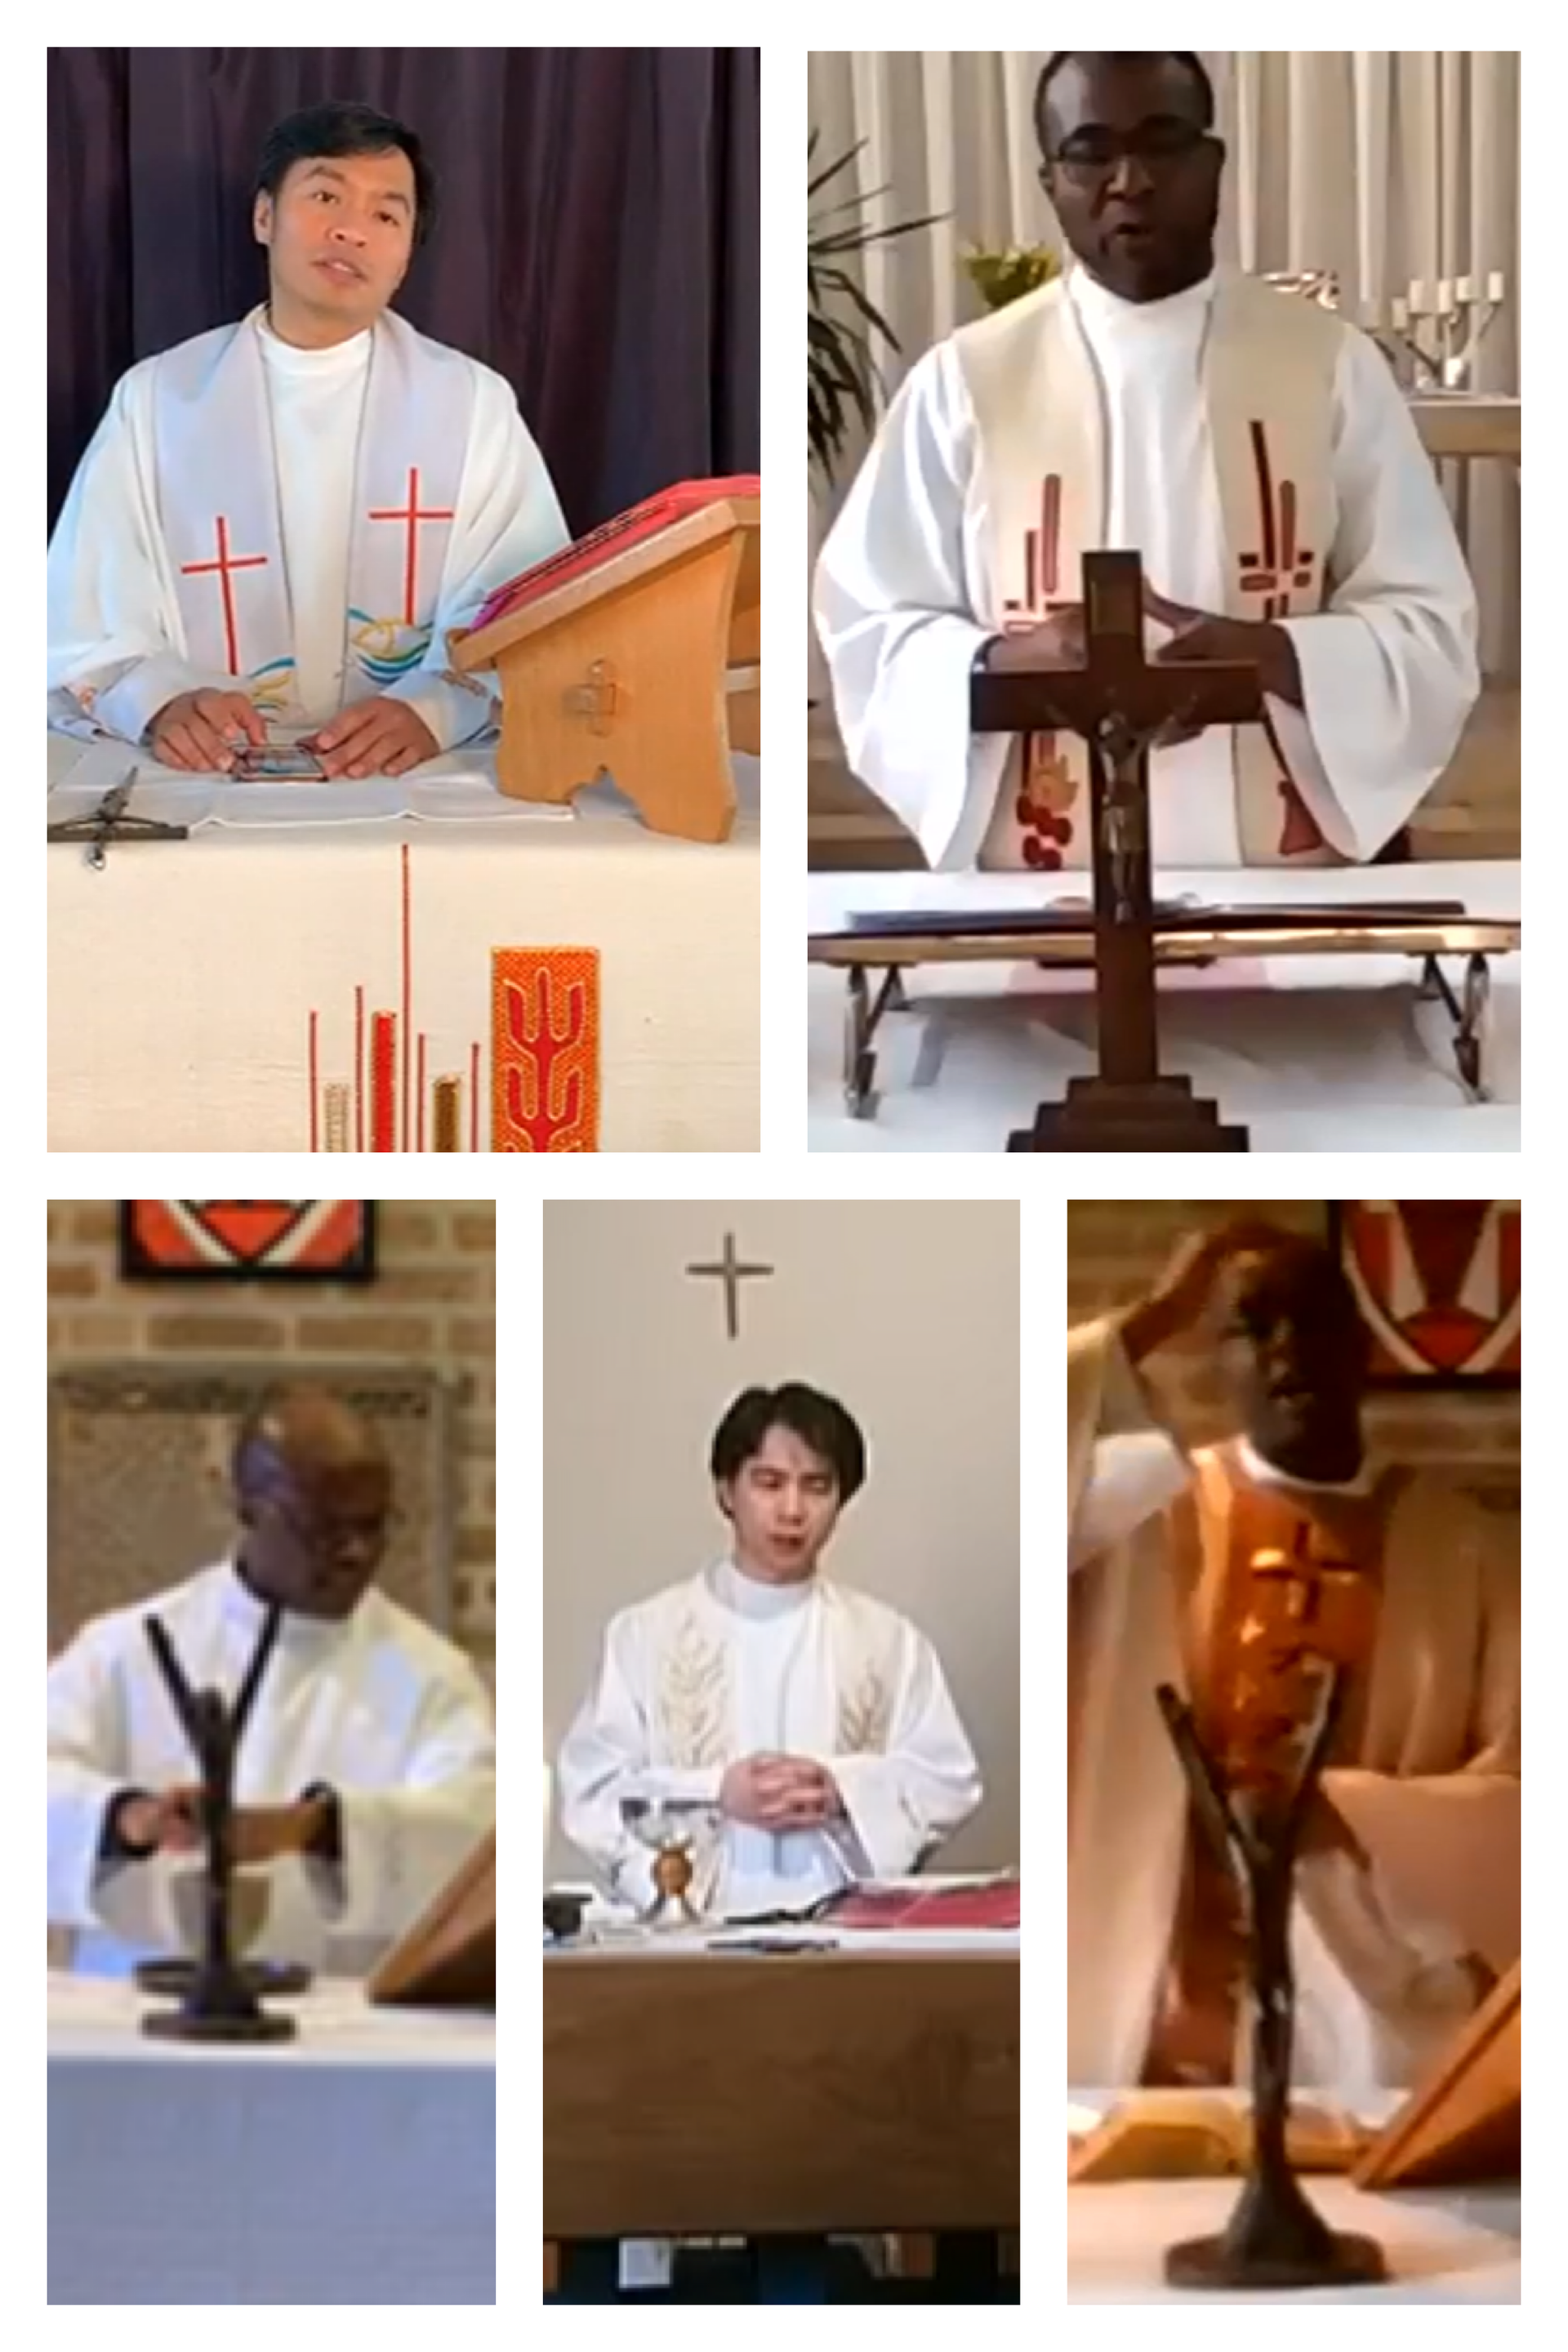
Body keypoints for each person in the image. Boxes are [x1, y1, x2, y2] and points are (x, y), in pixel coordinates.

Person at [816, 51, 1480, 873]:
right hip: (1046, 876)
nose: (1128, 180)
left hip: (1278, 876)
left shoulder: (1330, 365)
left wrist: (1273, 653)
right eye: (1090, 152)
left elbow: (1427, 623)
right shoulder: (964, 382)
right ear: (1050, 179)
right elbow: (869, 625)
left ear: (1214, 162)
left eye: (1161, 144)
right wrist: (1018, 659)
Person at [1067, 1223, 1518, 2095]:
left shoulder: (1470, 1547)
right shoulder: (1149, 1517)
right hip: (1165, 2003)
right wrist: (1152, 1319)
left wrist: (1353, 1814)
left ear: (1363, 1347)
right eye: (1252, 1327)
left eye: (1314, 1322)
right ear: (1213, 1357)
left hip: (1377, 2008)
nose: (1288, 1352)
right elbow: (1018, 1485)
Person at [48, 98, 568, 777]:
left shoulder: (472, 404)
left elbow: (527, 607)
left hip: (417, 768)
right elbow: (82, 614)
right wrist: (162, 703)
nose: (352, 230)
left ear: (407, 255)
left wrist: (436, 709)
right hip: (205, 767)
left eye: (386, 214)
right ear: (264, 216)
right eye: (326, 195)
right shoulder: (158, 399)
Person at [48, 1385, 497, 1976]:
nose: (356, 1553)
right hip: (132, 2020)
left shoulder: (429, 1675)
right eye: (326, 1528)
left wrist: (313, 1829)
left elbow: (475, 1832)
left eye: (374, 1525)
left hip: (352, 2036)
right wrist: (125, 1818)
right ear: (249, 1510)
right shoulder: (127, 1649)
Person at [557, 1381, 983, 1920]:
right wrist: (719, 1792)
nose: (792, 1509)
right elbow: (592, 1787)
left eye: (817, 1486)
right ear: (725, 1491)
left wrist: (842, 1790)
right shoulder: (645, 1634)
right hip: (691, 1941)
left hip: (848, 1940)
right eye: (769, 1483)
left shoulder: (887, 1641)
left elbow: (947, 1781)